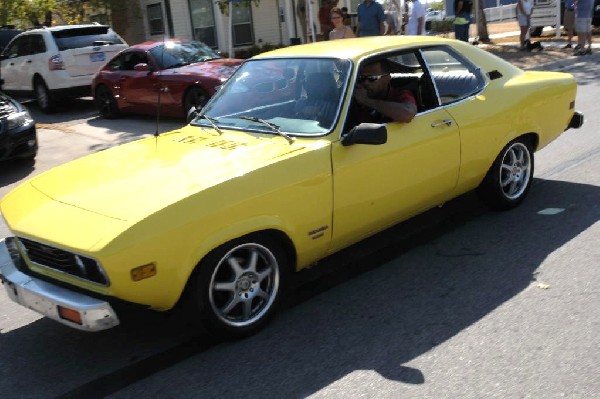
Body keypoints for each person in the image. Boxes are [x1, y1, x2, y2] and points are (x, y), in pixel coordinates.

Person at [353, 60, 417, 124]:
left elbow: (407, 114)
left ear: (387, 78)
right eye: (362, 78)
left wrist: (366, 101)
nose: (366, 82)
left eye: (372, 78)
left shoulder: (400, 94)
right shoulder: (354, 94)